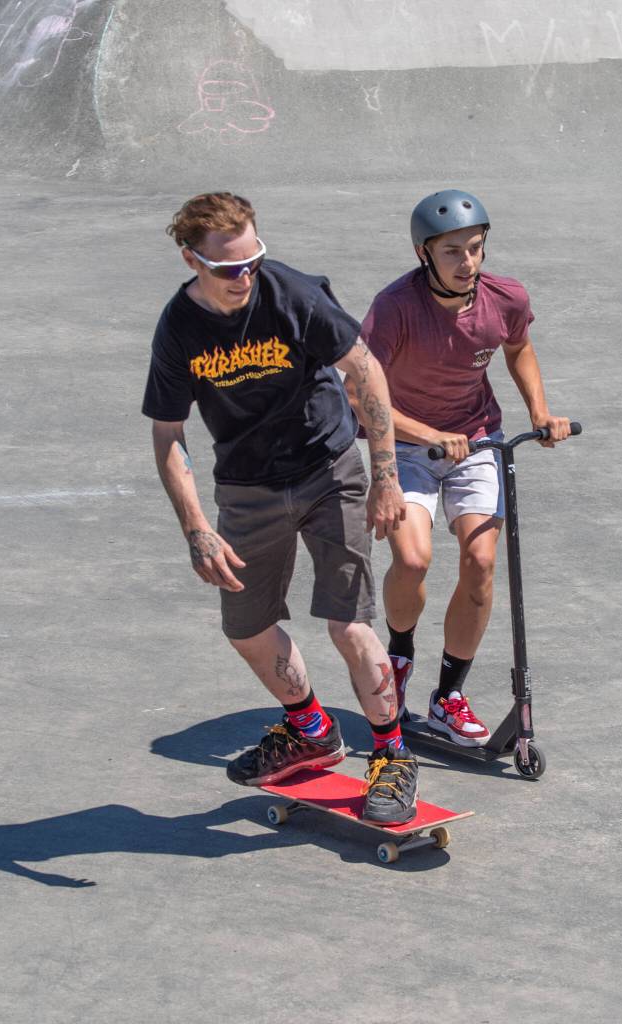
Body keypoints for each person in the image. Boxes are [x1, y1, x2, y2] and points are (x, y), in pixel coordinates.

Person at [142, 192, 419, 823]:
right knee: (244, 625)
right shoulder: (179, 327)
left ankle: (392, 756)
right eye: (227, 268)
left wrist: (385, 476)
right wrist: (197, 530)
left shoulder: (292, 294)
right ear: (191, 259)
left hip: (330, 470)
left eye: (252, 260)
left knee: (349, 622)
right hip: (248, 487)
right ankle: (311, 729)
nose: (244, 277)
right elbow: (168, 433)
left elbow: (366, 371)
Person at [352, 189, 571, 745]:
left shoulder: (505, 297)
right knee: (413, 559)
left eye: (475, 248)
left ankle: (448, 695)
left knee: (480, 563)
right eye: (452, 251)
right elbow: (362, 395)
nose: (467, 261)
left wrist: (540, 413)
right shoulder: (395, 307)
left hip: (477, 441)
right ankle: (398, 658)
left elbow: (517, 346)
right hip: (404, 445)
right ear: (424, 253)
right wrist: (428, 435)